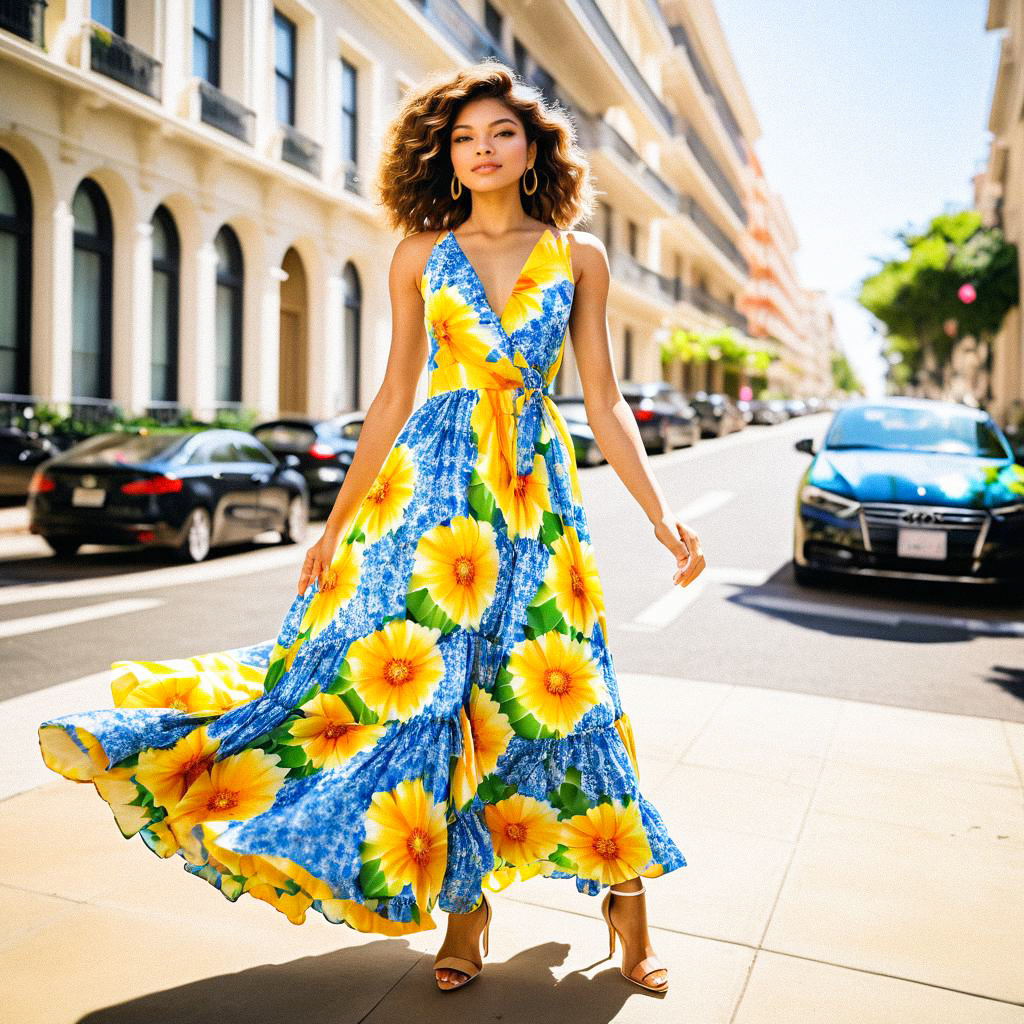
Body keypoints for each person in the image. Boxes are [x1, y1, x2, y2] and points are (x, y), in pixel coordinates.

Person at [37, 61, 705, 997]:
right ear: (447, 153)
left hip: (534, 499)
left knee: (566, 689)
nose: (481, 150)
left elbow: (604, 396)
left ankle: (625, 899)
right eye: (464, 137)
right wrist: (335, 523)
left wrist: (660, 511)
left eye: (500, 135)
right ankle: (467, 910)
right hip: (429, 497)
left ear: (531, 147)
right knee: (439, 700)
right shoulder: (419, 252)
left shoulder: (577, 255)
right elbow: (393, 394)